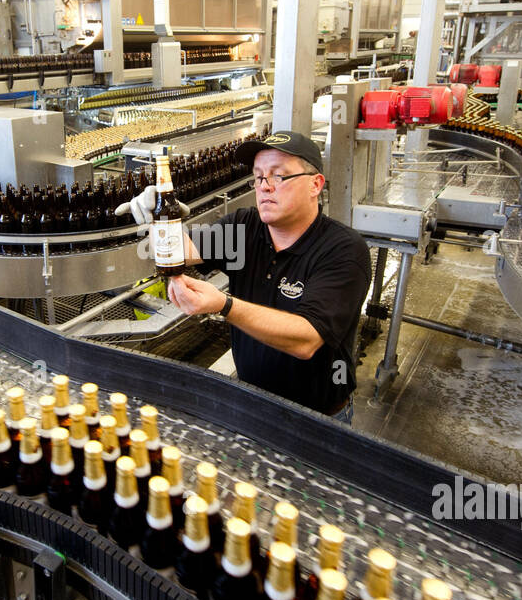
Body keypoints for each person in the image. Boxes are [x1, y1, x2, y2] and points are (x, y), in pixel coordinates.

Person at [121, 132, 371, 422]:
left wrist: (225, 305)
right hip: (251, 405)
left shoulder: (343, 250)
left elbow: (306, 340)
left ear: (315, 185)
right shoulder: (245, 227)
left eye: (278, 176)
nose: (265, 187)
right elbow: (178, 251)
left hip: (317, 420)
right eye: (259, 177)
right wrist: (158, 219)